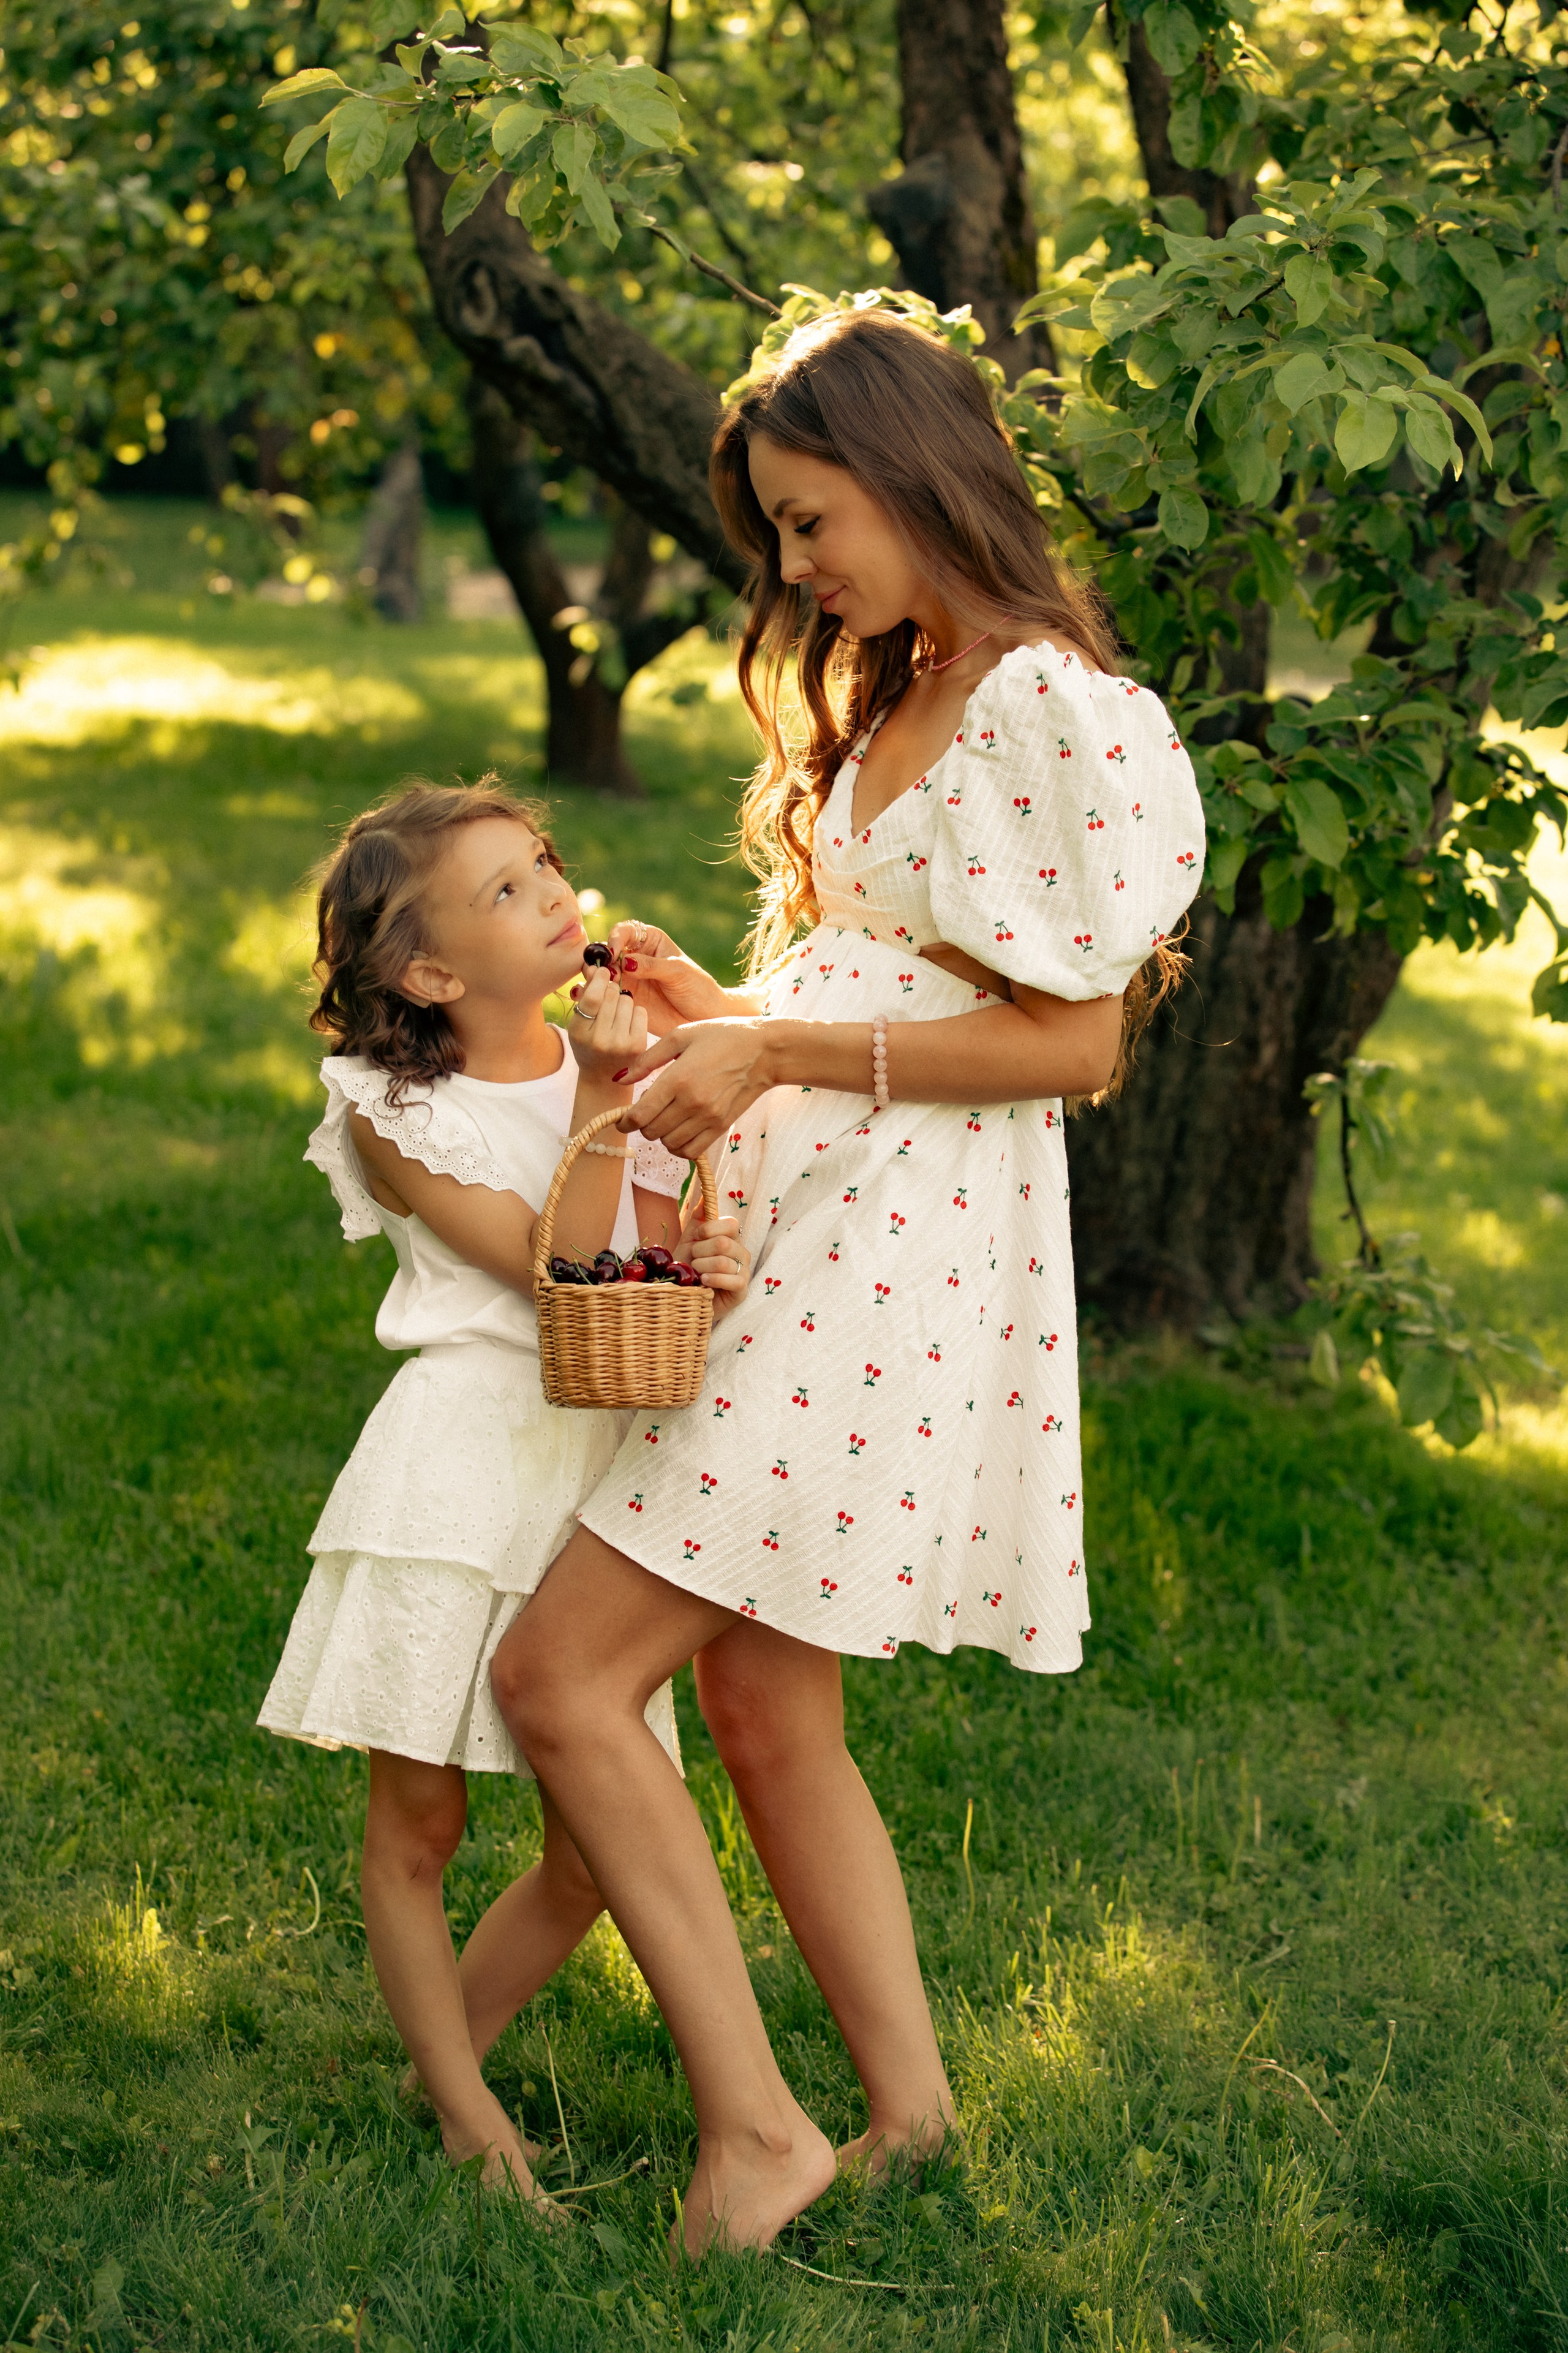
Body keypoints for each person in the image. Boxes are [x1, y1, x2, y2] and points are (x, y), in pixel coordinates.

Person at [486, 304, 1207, 2256]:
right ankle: (908, 2113)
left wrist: (786, 1055)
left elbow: (1073, 1051)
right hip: (823, 1199)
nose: (794, 571)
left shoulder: (1054, 704)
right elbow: (881, 988)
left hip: (898, 1251)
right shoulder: (897, 689)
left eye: (810, 522)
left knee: (560, 1677)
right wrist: (716, 1016)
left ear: (913, 468)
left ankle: (760, 2130)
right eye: (778, 539)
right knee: (763, 1705)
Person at [257, 779, 748, 2203]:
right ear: (429, 973)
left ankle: (442, 2056)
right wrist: (604, 1100)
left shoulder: (633, 1062)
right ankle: (476, 2128)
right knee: (418, 1826)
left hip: (593, 1482)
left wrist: (699, 1257)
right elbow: (554, 1275)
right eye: (509, 890)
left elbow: (640, 1260)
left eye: (549, 868)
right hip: (458, 1470)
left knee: (595, 1850)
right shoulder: (395, 1112)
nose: (557, 898)